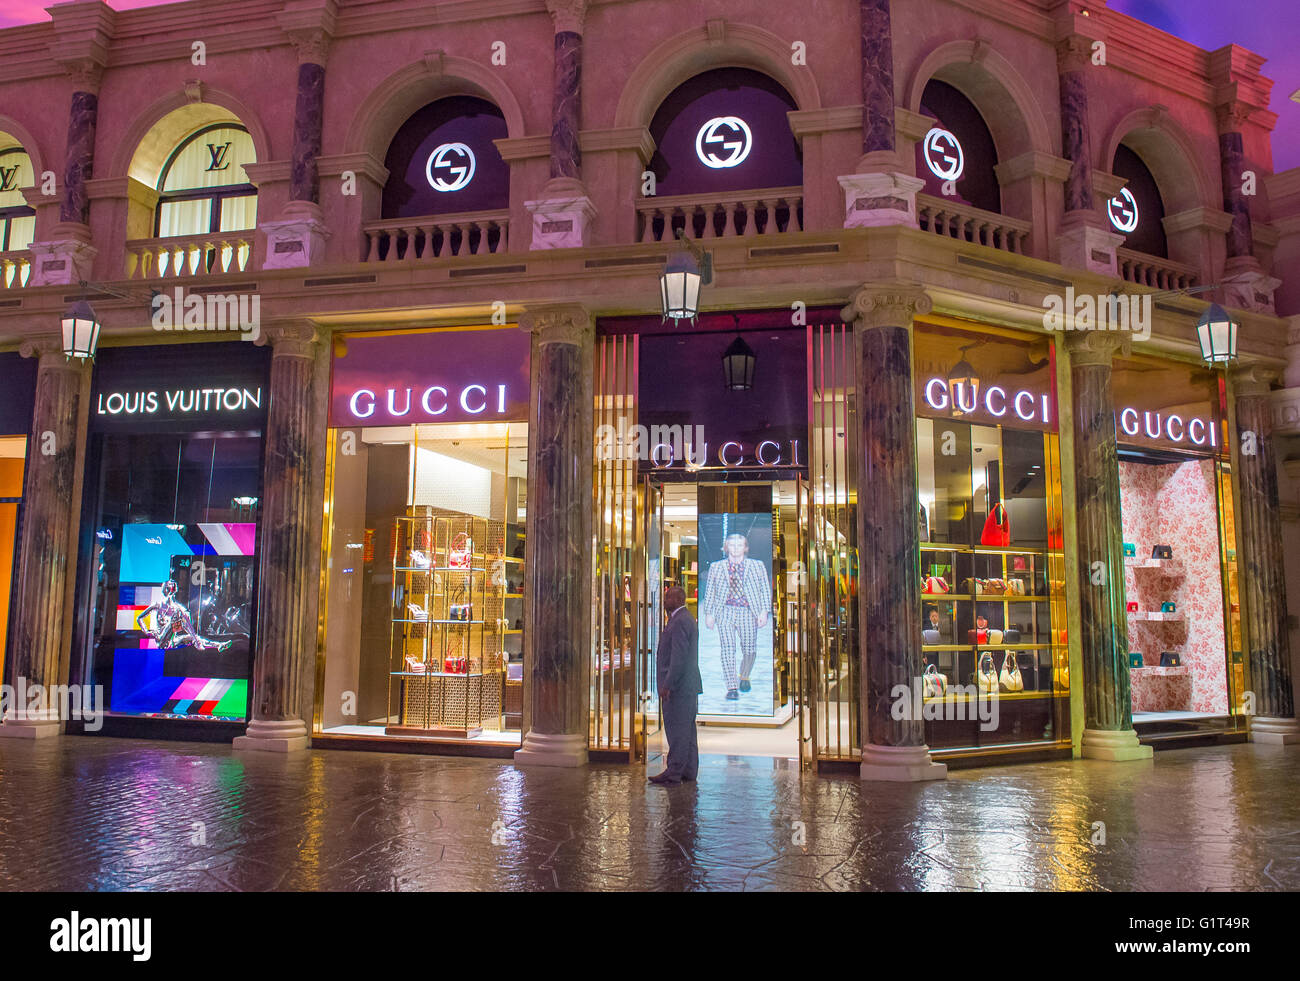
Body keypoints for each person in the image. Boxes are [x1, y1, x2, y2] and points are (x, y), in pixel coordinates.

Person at [701, 531, 772, 700]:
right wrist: (709, 613)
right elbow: (710, 590)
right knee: (727, 649)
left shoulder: (757, 566)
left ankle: (744, 675)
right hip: (725, 611)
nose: (735, 548)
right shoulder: (716, 567)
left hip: (748, 611)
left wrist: (764, 610)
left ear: (745, 548)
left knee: (750, 649)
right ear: (726, 548)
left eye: (739, 545)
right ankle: (731, 686)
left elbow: (764, 588)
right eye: (732, 545)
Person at [649, 585, 701, 786]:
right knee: (687, 730)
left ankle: (674, 772)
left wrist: (668, 684)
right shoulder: (684, 619)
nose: (665, 600)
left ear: (679, 599)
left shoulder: (679, 621)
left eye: (668, 597)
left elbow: (678, 657)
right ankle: (689, 769)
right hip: (686, 686)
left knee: (677, 730)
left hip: (679, 687)